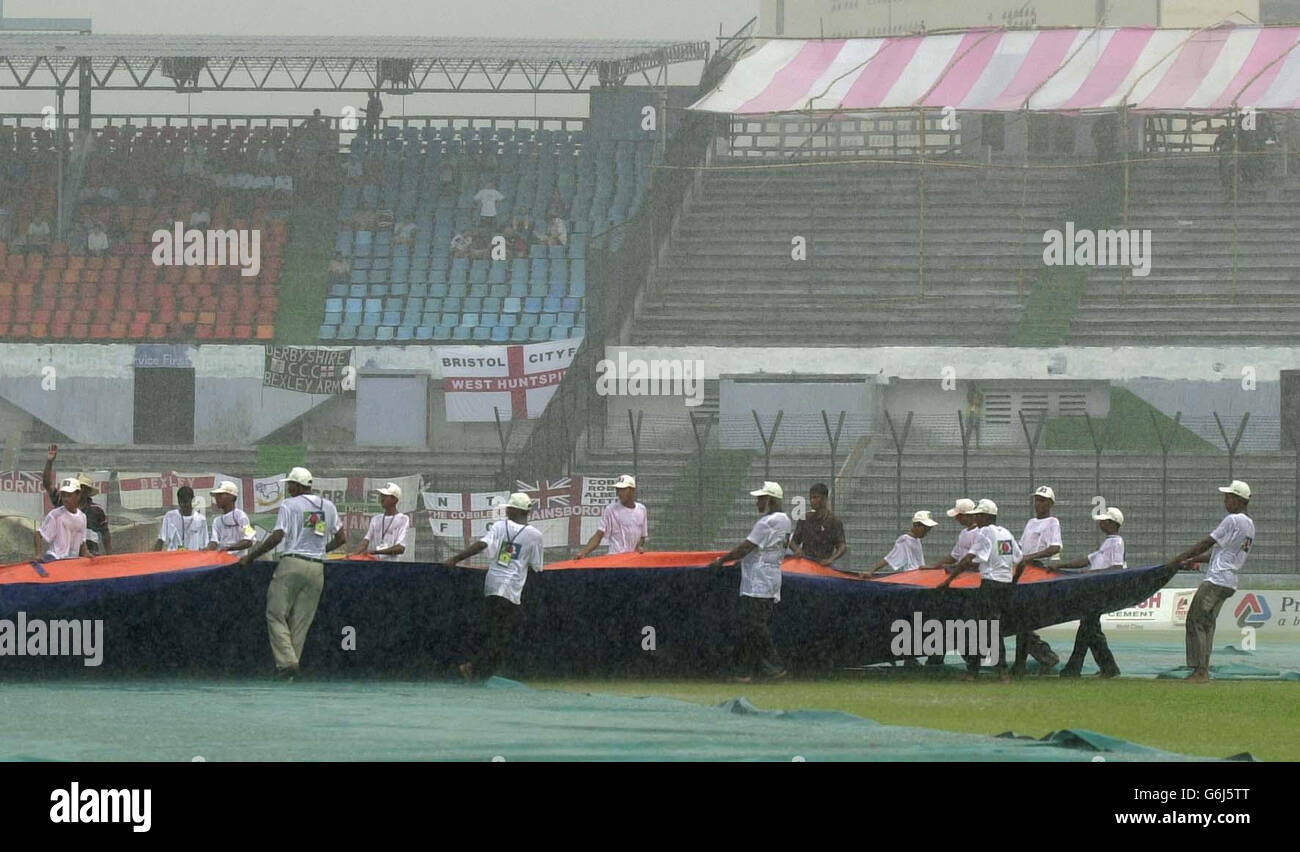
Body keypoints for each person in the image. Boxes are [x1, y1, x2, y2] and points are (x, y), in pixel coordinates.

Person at [237, 467, 346, 681]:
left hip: (292, 563)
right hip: (316, 568)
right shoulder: (327, 506)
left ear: (297, 485)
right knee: (301, 621)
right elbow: (342, 538)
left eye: (290, 484)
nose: (288, 488)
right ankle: (289, 671)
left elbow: (278, 536)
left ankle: (287, 662)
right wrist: (322, 550)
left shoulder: (289, 504)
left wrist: (251, 556)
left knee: (275, 613)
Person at [446, 492, 545, 681]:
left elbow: (482, 544)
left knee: (494, 631)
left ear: (515, 510)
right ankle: (474, 668)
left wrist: (456, 558)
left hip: (492, 584)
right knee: (501, 635)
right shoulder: (534, 535)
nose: (506, 510)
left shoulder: (500, 526)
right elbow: (537, 566)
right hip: (511, 589)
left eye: (509, 507)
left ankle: (479, 669)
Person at [1166, 480, 1255, 684]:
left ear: (1239, 500)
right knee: (1207, 624)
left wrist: (1178, 558)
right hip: (1229, 582)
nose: (1225, 501)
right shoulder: (1250, 526)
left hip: (1216, 580)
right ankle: (1202, 669)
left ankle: (1200, 671)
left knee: (1195, 620)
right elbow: (1223, 553)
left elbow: (1207, 542)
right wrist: (1193, 560)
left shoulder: (1232, 520)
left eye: (1229, 497)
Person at [708, 481, 791, 683]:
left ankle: (773, 666)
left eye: (760, 499)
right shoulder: (786, 521)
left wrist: (722, 560)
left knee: (754, 626)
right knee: (751, 628)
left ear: (770, 500)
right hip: (770, 578)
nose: (757, 503)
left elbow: (746, 547)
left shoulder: (766, 523)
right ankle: (746, 671)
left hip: (758, 581)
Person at [937, 498, 1020, 683]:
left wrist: (949, 580)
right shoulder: (1006, 533)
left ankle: (980, 670)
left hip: (989, 584)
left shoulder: (984, 533)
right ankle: (997, 670)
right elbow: (1020, 560)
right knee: (992, 627)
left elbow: (968, 559)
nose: (976, 519)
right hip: (1005, 586)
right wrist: (1013, 582)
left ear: (985, 516)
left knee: (978, 627)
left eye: (978, 515)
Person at [1055, 506, 1126, 678]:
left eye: (1104, 521)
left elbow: (1116, 567)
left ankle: (1074, 668)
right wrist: (1061, 565)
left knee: (1087, 627)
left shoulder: (1116, 542)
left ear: (1111, 523)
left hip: (1101, 590)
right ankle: (1108, 667)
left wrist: (1090, 573)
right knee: (1091, 629)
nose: (1101, 523)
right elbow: (1087, 560)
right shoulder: (1108, 543)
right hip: (1095, 589)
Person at [1011, 485, 1063, 676]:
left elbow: (1054, 547)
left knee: (1023, 619)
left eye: (1042, 500)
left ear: (1050, 503)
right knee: (1022, 620)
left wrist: (1029, 557)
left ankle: (1022, 664)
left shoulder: (1052, 522)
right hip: (1024, 568)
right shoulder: (1031, 522)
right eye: (1037, 500)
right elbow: (1021, 545)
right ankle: (1044, 656)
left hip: (1036, 568)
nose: (1038, 504)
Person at [42, 445, 110, 555]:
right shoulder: (62, 501)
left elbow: (105, 533)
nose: (81, 491)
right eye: (79, 487)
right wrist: (49, 462)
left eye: (83, 488)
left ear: (87, 491)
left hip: (90, 555)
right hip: (66, 557)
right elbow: (47, 484)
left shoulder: (96, 510)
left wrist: (110, 555)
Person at [574, 474, 647, 558]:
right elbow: (599, 535)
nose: (619, 493)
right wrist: (584, 552)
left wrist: (639, 546)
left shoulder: (642, 509)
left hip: (632, 559)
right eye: (618, 490)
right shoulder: (611, 509)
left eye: (623, 490)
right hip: (615, 558)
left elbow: (642, 536)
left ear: (632, 490)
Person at [859, 510, 937, 577]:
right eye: (926, 528)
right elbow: (889, 558)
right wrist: (871, 571)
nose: (927, 531)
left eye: (929, 529)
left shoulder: (917, 540)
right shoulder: (904, 540)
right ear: (916, 525)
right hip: (912, 578)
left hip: (919, 576)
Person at [790, 483, 847, 567]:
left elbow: (842, 546)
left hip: (823, 566)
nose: (812, 501)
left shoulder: (834, 521)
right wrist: (797, 550)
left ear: (825, 499)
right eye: (811, 498)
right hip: (806, 564)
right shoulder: (804, 519)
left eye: (816, 497)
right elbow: (793, 542)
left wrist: (831, 559)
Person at [35, 478, 91, 561]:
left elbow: (82, 541)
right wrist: (38, 554)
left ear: (78, 495)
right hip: (55, 558)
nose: (65, 499)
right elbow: (38, 534)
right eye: (63, 495)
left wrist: (87, 553)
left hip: (71, 560)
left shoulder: (83, 517)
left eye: (69, 495)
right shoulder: (55, 515)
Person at [352, 483, 411, 561]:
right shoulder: (376, 519)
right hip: (375, 565)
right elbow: (366, 540)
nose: (381, 498)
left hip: (392, 566)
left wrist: (375, 552)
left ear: (394, 499)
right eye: (381, 495)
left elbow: (400, 548)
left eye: (385, 496)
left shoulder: (403, 519)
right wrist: (353, 556)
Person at [206, 480, 256, 553]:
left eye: (220, 495)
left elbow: (249, 540)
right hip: (222, 561)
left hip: (239, 561)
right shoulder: (217, 521)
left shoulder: (241, 516)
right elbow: (214, 541)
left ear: (232, 497)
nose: (216, 498)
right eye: (216, 496)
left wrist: (230, 548)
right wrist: (207, 549)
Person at [153, 486, 208, 551]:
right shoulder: (170, 516)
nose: (183, 505)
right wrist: (153, 557)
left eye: (186, 502)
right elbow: (161, 539)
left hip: (193, 557)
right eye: (181, 502)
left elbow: (204, 545)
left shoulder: (201, 519)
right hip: (174, 557)